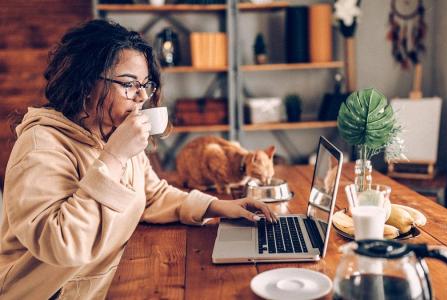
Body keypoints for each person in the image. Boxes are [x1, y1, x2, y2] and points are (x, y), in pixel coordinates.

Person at [0, 19, 276, 300]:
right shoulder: (40, 146)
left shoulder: (111, 134)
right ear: (85, 85)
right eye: (129, 84)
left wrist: (218, 207)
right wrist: (115, 157)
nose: (142, 96)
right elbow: (63, 244)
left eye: (145, 84)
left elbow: (152, 195)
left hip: (111, 280)